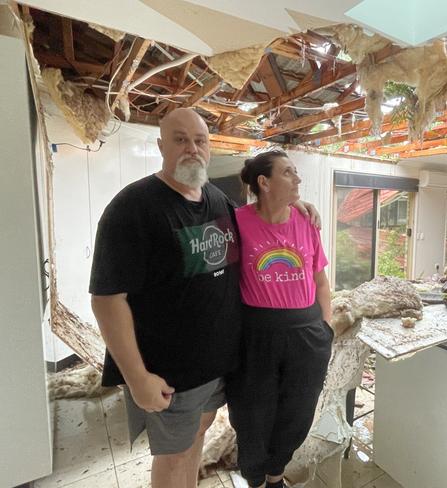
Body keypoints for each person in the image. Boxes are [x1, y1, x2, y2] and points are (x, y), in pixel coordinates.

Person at [89, 109, 318, 488]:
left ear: (210, 148)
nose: (192, 148)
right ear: (161, 146)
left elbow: (262, 217)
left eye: (200, 140)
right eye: (180, 140)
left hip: (215, 368)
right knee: (174, 458)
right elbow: (107, 299)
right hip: (168, 373)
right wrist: (136, 376)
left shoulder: (217, 200)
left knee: (195, 444)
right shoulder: (133, 208)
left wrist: (295, 207)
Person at [227, 150, 334, 488]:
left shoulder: (307, 221)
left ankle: (276, 476)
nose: (298, 179)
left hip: (306, 333)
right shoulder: (236, 222)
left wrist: (326, 329)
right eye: (288, 173)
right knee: (251, 414)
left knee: (298, 412)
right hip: (255, 334)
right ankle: (255, 479)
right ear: (264, 182)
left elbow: (320, 281)